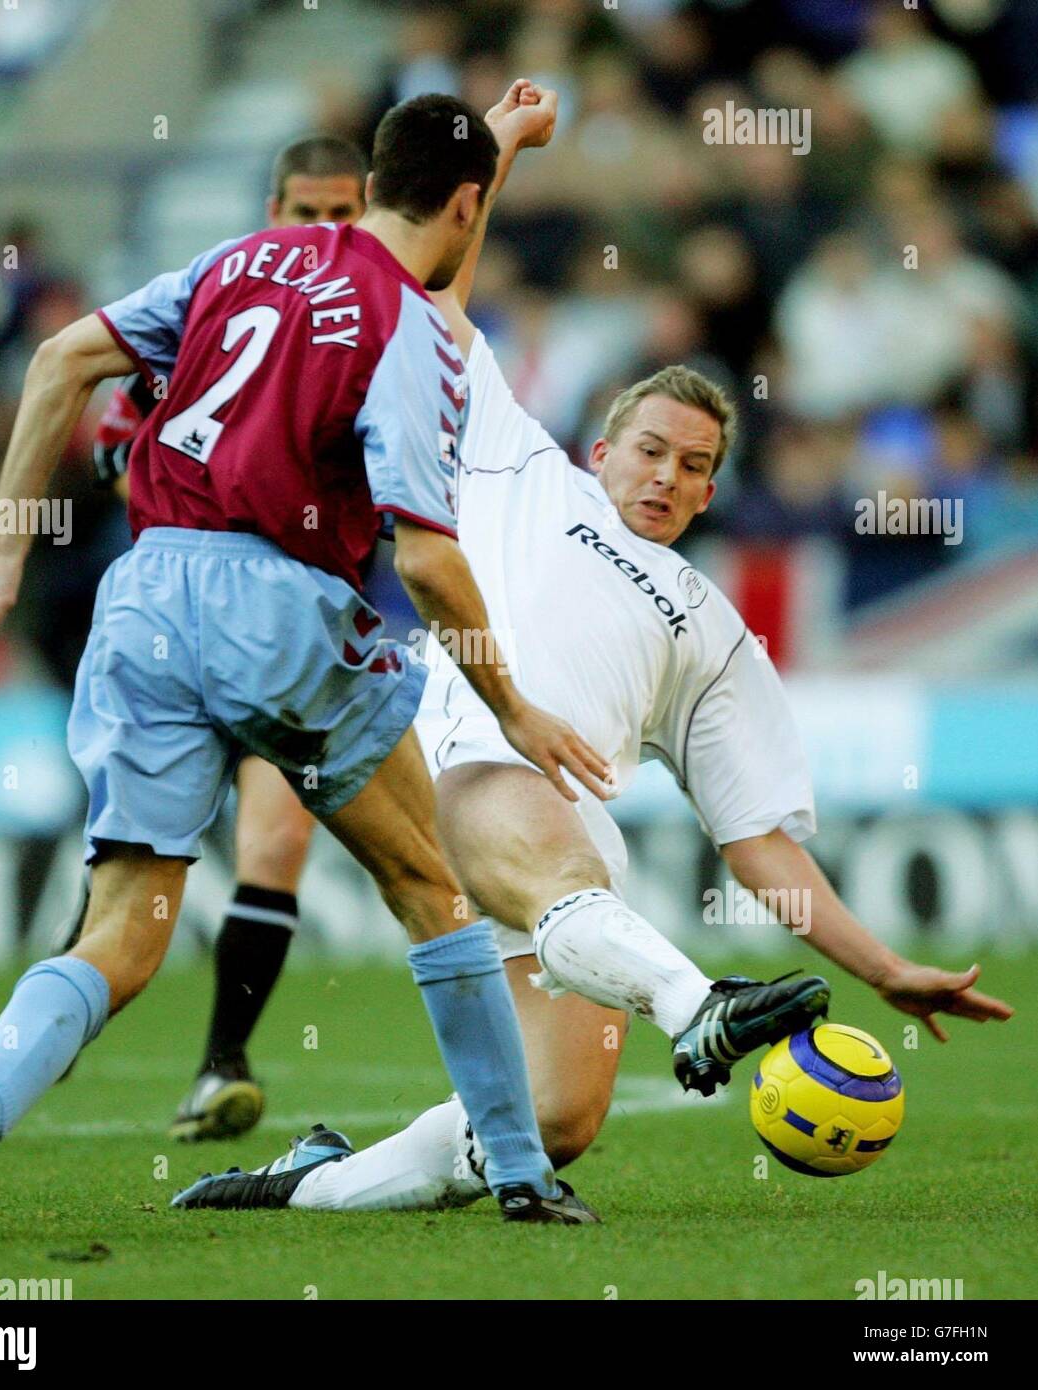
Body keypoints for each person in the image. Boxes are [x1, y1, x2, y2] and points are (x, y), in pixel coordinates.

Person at [171, 91, 1014, 1219]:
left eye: (694, 465)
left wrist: (884, 967)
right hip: (458, 750)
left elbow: (758, 840)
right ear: (602, 447)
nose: (665, 476)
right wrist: (503, 148)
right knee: (537, 828)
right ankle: (695, 999)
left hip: (567, 836)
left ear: (714, 489)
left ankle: (309, 1185)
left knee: (554, 1119)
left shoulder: (712, 628)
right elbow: (425, 300)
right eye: (650, 450)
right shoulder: (518, 464)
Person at [0, 90, 614, 1241]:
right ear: (470, 204)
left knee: (125, 923)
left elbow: (58, 359)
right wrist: (515, 708)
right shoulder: (413, 331)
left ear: (370, 178)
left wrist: (11, 534)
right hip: (279, 601)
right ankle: (523, 1169)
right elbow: (428, 561)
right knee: (435, 887)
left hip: (144, 596)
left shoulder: (246, 253)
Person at [88, 134, 370, 1143]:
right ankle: (60, 1012)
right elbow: (115, 431)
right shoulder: (213, 301)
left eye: (344, 211)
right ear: (271, 205)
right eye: (306, 209)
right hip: (182, 613)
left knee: (278, 840)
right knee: (129, 878)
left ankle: (222, 1063)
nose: (324, 229)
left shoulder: (368, 323)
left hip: (299, 624)